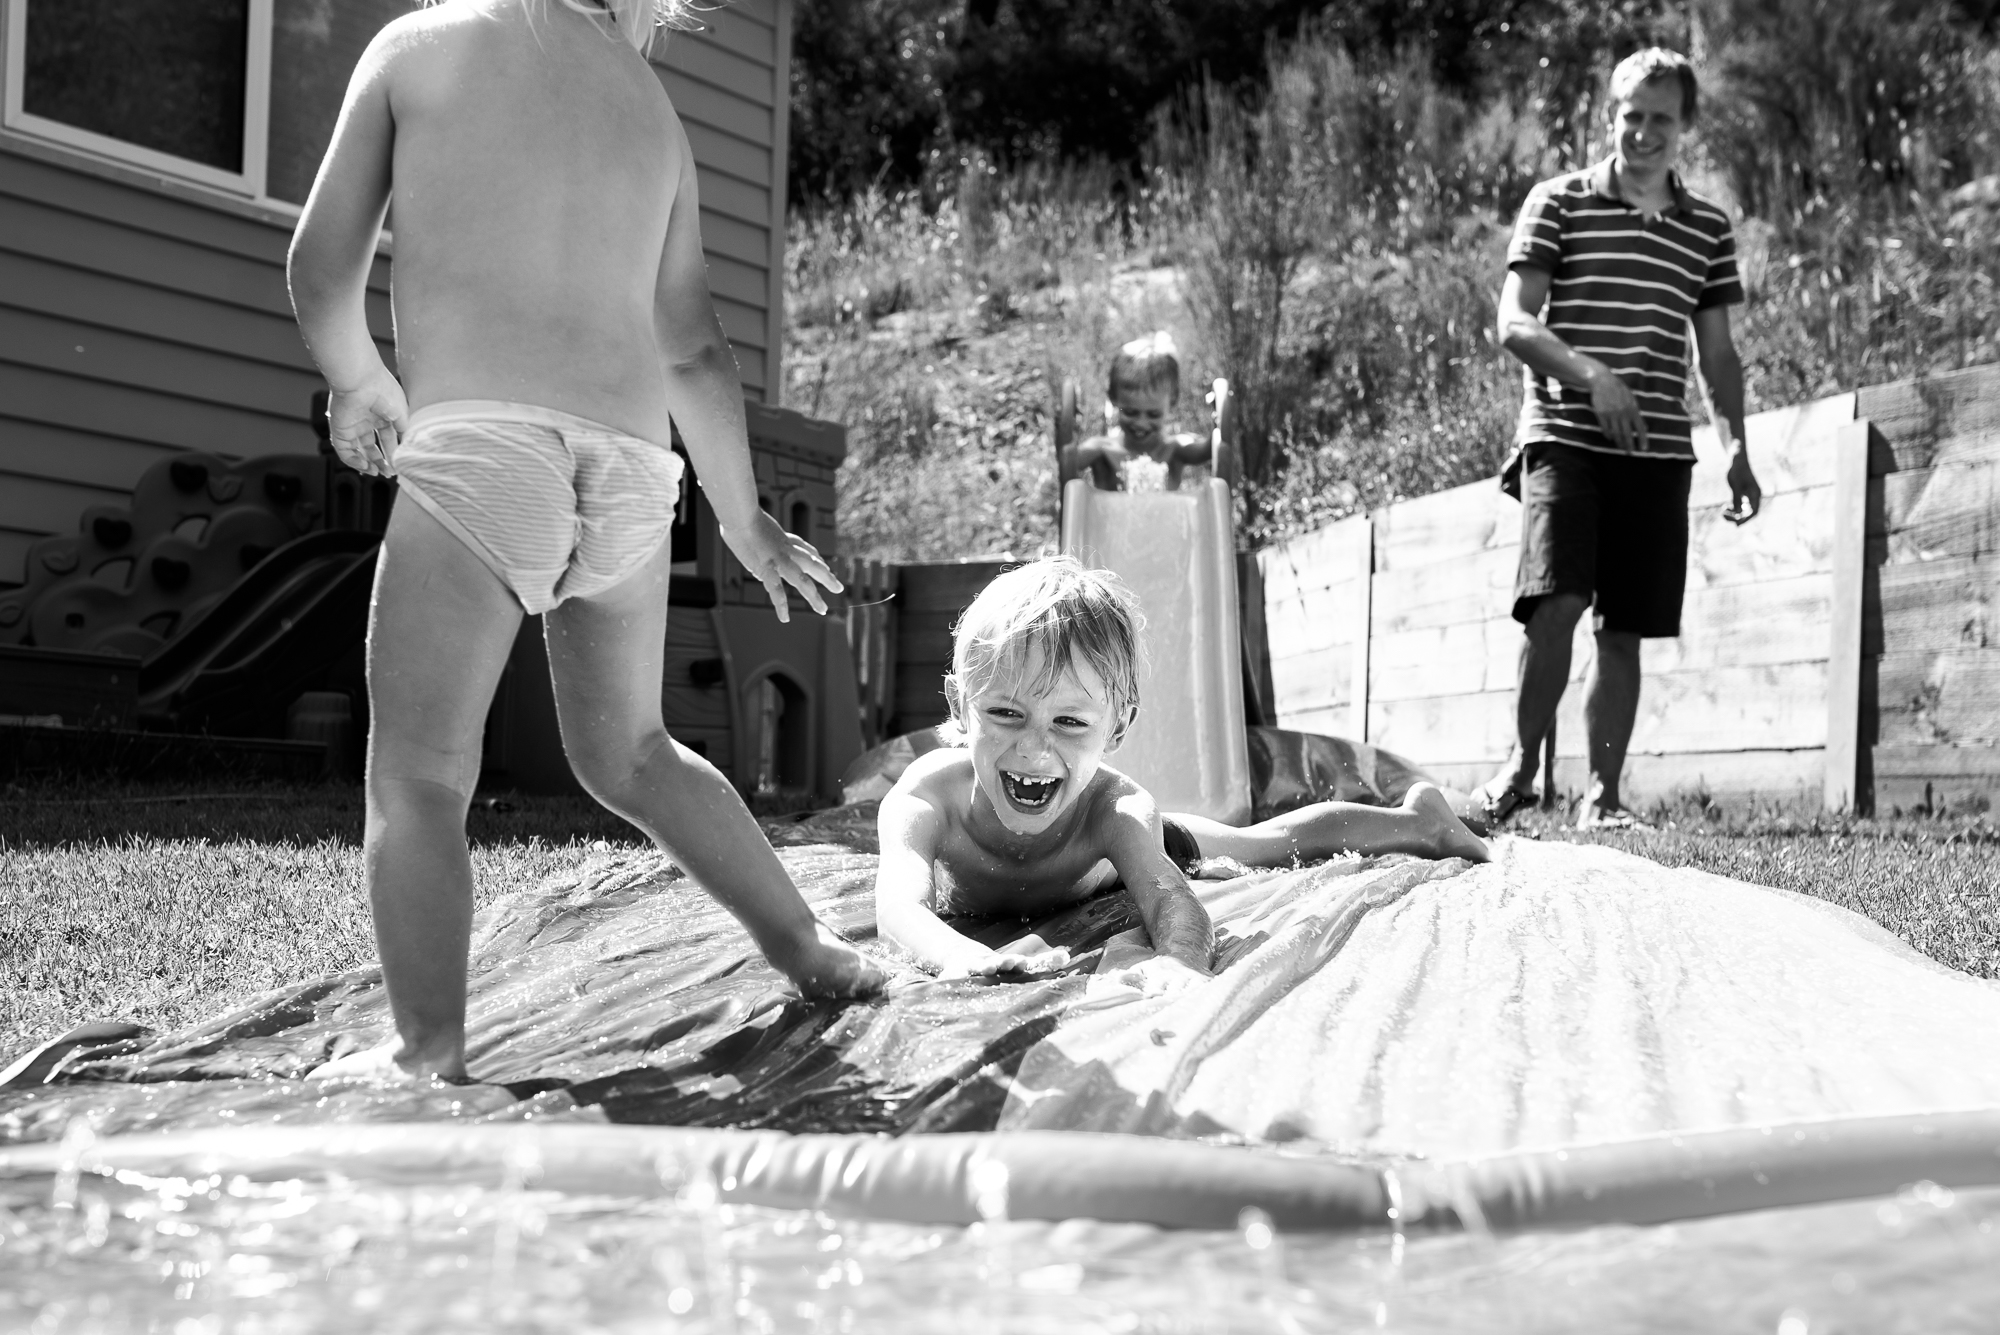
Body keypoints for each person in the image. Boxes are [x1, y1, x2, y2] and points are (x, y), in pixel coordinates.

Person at [287, 0, 885, 1083]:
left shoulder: (416, 50)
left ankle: (427, 1053)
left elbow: (319, 269)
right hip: (628, 471)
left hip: (486, 453)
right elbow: (696, 348)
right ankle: (808, 947)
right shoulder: (652, 109)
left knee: (419, 776)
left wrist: (360, 384)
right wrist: (741, 516)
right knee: (634, 750)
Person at [873, 558, 1488, 982]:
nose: (1033, 750)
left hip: (1119, 862)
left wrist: (1180, 960)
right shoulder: (927, 800)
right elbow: (899, 907)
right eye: (1006, 713)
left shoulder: (1114, 809)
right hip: (1045, 878)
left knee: (1264, 843)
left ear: (1115, 729)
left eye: (1070, 723)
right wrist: (959, 955)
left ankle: (1419, 823)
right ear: (959, 706)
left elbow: (1171, 900)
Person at [1476, 48, 1760, 832]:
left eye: (1661, 118)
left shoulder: (1706, 228)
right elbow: (1514, 321)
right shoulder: (1557, 202)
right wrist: (1592, 375)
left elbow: (1720, 355)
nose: (1644, 132)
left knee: (1623, 629)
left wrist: (1735, 447)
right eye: (1630, 115)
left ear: (1685, 127)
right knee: (1556, 603)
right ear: (1610, 117)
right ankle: (1521, 770)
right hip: (1563, 434)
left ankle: (1603, 798)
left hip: (1659, 449)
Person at [1064, 332, 1214, 492]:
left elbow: (1207, 450)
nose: (1141, 423)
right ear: (1113, 398)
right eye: (1129, 412)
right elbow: (1069, 460)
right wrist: (1065, 429)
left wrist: (1221, 421)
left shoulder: (1174, 449)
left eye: (1153, 414)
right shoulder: (1102, 450)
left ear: (1173, 401)